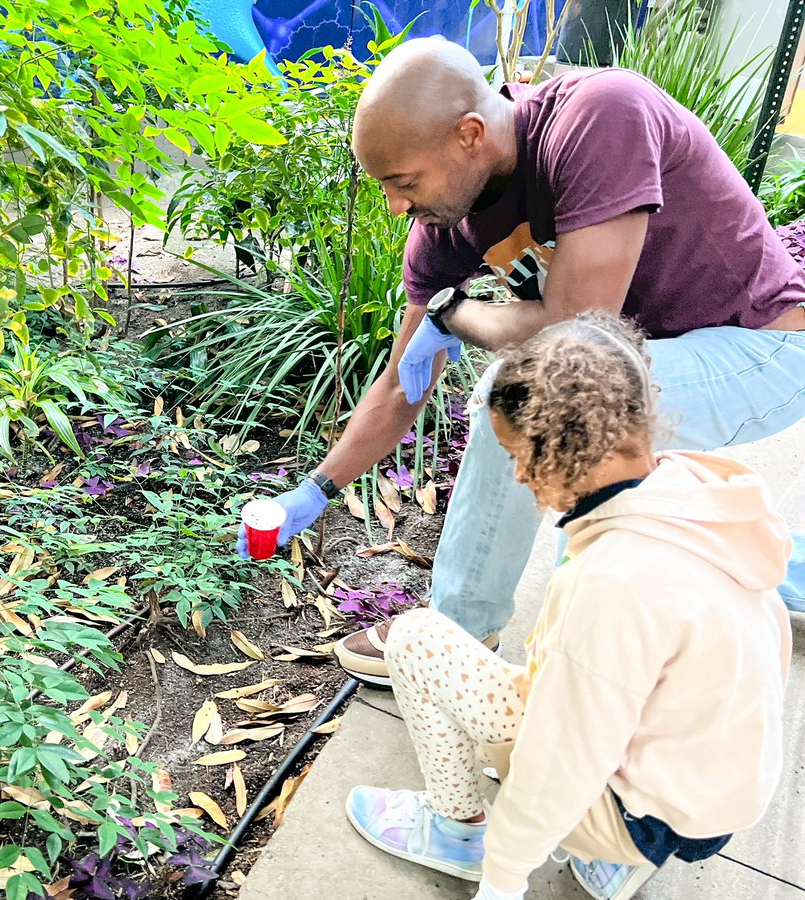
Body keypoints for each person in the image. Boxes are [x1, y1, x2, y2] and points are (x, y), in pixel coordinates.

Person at [234, 37, 805, 684]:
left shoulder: (599, 115)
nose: (396, 205)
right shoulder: (442, 229)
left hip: (763, 345)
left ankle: (513, 654)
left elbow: (581, 330)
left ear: (470, 134)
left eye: (403, 181)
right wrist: (313, 492)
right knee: (577, 433)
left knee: (546, 408)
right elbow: (402, 386)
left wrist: (458, 316)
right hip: (647, 361)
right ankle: (466, 635)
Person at [344, 312, 792, 900]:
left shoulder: (615, 582)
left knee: (418, 639)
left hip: (646, 818)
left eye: (516, 456)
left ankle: (458, 831)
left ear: (555, 449)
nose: (517, 476)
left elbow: (562, 759)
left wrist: (503, 880)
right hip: (713, 793)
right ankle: (609, 858)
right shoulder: (693, 494)